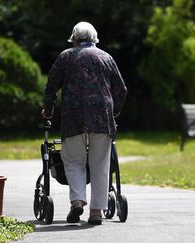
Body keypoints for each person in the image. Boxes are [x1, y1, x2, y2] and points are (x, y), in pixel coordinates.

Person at [42, 21, 127, 225]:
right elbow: (121, 89)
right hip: (102, 116)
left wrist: (49, 110)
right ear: (94, 38)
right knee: (100, 164)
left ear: (74, 38)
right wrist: (115, 111)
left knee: (73, 160)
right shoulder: (106, 57)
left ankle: (78, 201)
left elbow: (51, 86)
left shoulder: (65, 57)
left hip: (74, 116)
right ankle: (96, 212)